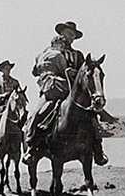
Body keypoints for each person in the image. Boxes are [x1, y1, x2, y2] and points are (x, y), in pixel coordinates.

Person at [22, 21, 109, 166]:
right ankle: (31, 147)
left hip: (73, 93)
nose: (70, 38)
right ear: (61, 34)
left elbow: (85, 72)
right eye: (68, 34)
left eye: (73, 36)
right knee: (37, 113)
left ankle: (98, 150)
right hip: (53, 90)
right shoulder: (49, 52)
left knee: (92, 116)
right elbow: (34, 71)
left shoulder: (78, 55)